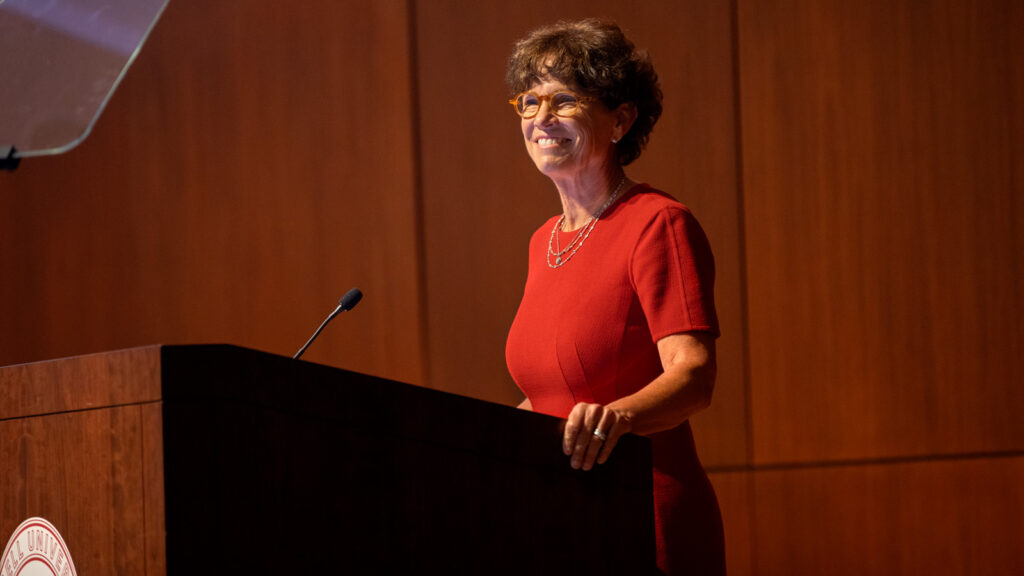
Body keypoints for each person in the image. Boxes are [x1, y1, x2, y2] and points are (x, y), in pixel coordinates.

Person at [504, 19, 726, 575]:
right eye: (529, 102)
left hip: (641, 514)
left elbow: (693, 374)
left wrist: (617, 418)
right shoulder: (542, 242)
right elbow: (555, 394)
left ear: (621, 119)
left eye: (563, 100)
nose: (541, 119)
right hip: (558, 518)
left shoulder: (658, 223)